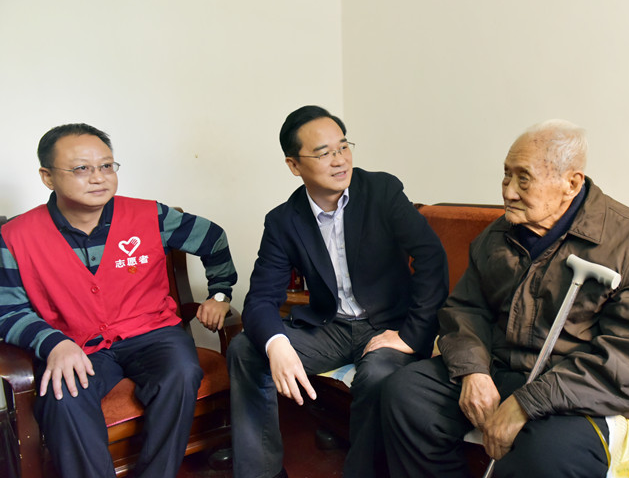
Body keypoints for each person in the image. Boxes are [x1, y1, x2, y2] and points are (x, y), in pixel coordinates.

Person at [381, 119, 629, 478]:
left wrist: (527, 403)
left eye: (523, 178)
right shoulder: (499, 235)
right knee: (406, 395)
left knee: (547, 452)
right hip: (503, 370)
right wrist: (472, 370)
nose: (509, 191)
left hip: (589, 396)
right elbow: (465, 309)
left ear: (570, 183)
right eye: (506, 175)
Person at [0, 123, 237, 478]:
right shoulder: (15, 236)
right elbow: (7, 309)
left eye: (107, 166)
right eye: (82, 168)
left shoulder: (150, 216)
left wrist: (219, 294)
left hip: (153, 334)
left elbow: (212, 238)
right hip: (75, 345)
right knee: (62, 397)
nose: (98, 177)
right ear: (47, 177)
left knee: (182, 372)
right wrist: (53, 343)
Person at [227, 105, 449, 478]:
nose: (340, 160)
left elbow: (431, 257)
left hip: (389, 325)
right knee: (245, 350)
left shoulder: (382, 191)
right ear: (294, 165)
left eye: (343, 147)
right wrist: (277, 345)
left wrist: (411, 335)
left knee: (378, 374)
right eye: (324, 153)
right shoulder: (283, 220)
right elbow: (261, 298)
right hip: (330, 327)